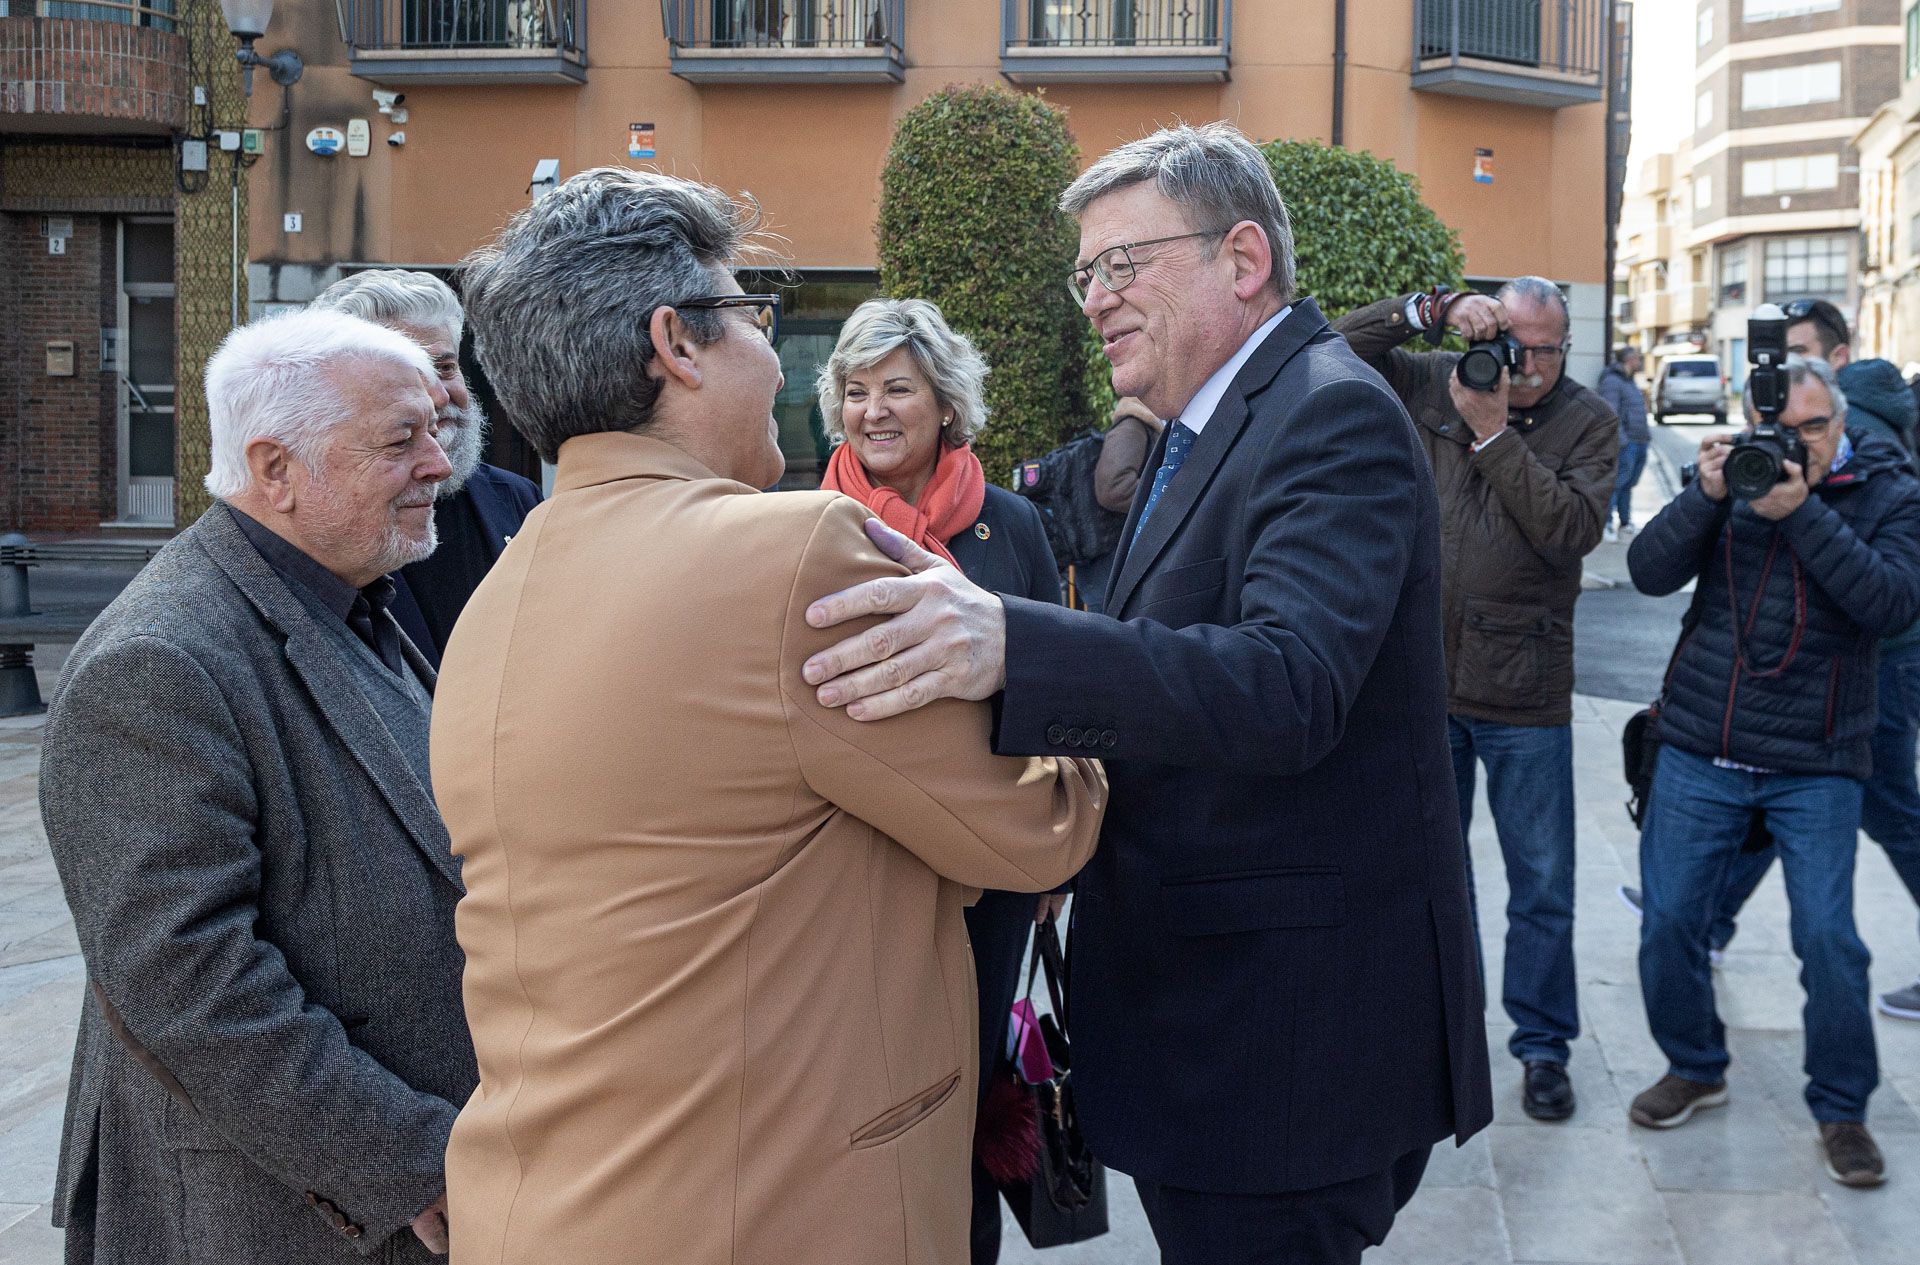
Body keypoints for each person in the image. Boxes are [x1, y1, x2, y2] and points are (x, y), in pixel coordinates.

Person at [798, 122, 1492, 1265]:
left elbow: (1287, 684)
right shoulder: (1207, 426)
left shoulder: (1329, 410)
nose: (1095, 298)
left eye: (1124, 263)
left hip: (1283, 1052)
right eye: (1086, 273)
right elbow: (1174, 662)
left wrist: (1015, 641)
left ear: (1245, 257)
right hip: (1220, 1028)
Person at [433, 168, 1106, 1265]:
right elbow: (1039, 830)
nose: (772, 355)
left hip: (544, 1204)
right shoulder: (793, 551)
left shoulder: (499, 592)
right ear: (677, 344)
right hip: (770, 1206)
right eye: (754, 314)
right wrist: (1053, 701)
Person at [38, 308, 472, 1263]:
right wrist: (409, 1157)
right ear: (276, 470)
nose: (439, 463)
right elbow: (188, 984)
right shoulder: (157, 660)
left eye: (436, 430)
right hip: (260, 1213)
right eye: (403, 440)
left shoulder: (350, 590)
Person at [1626, 354, 1920, 1187]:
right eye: (1779, 431)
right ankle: (1695, 1062)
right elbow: (1648, 572)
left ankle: (1842, 1108)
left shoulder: (1889, 495)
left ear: (1843, 426)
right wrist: (1707, 495)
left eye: (1813, 429)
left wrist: (1799, 515)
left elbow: (1892, 603)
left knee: (1830, 941)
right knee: (1670, 922)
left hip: (1816, 758)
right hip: (1700, 742)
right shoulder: (1733, 483)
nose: (1794, 446)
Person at [814, 296, 1065, 1265]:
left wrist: (1050, 861)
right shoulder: (803, 524)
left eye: (897, 389)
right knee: (866, 1089)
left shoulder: (1014, 527)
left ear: (945, 404)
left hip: (988, 864)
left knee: (968, 1091)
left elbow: (1057, 691)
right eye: (855, 389)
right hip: (856, 862)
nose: (873, 409)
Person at [1335, 279, 1616, 1122]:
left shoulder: (1590, 422)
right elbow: (1337, 350)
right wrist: (1430, 309)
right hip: (1425, 681)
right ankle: (1438, 1033)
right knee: (1432, 877)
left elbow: (1571, 530)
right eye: (1512, 341)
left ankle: (1542, 1047)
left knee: (1541, 884)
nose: (1523, 364)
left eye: (1544, 349)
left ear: (1566, 349)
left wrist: (1493, 437)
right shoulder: (1436, 377)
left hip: (1524, 692)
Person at [309, 269, 542, 667]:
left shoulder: (518, 499)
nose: (435, 394)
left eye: (446, 367)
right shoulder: (319, 517)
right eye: (407, 372)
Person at [1079, 396, 1163, 613]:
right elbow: (1113, 489)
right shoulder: (1133, 426)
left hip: (1110, 551)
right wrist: (1165, 500)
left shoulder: (1140, 425)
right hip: (1108, 554)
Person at [1599, 346, 1650, 539]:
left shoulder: (1629, 381)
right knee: (1617, 483)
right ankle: (1607, 524)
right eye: (1638, 357)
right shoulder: (1613, 382)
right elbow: (1610, 413)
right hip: (1626, 443)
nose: (1640, 361)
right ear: (1629, 359)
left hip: (1640, 440)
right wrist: (1623, 441)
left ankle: (1625, 522)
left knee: (1627, 483)